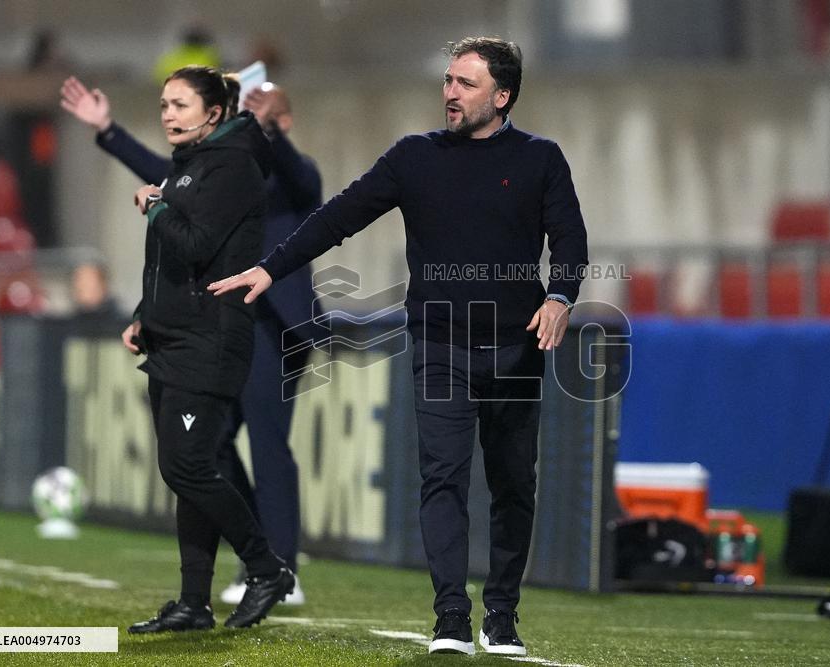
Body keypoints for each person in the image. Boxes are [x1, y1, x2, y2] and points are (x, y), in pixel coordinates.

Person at [209, 37, 588, 656]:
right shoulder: (415, 156)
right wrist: (271, 269)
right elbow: (338, 217)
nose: (450, 93)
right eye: (448, 81)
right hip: (439, 342)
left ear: (502, 96)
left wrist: (561, 296)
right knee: (443, 479)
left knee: (514, 484)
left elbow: (570, 240)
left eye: (465, 84)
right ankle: (450, 616)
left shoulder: (540, 158)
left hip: (515, 347)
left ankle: (501, 614)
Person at [60, 76, 321, 606]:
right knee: (210, 445)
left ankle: (281, 568)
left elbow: (296, 177)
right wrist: (108, 130)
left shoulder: (283, 172)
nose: (249, 115)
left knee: (267, 444)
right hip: (216, 321)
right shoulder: (212, 167)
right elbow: (168, 178)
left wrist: (270, 127)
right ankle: (256, 562)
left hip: (271, 323)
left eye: (261, 110)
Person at [111, 65, 293, 633]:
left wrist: (156, 205)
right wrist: (144, 315)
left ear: (214, 113)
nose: (168, 114)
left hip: (209, 338)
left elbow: (195, 245)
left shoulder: (233, 165)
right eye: (164, 104)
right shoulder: (189, 163)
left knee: (186, 467)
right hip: (171, 337)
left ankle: (266, 568)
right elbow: (172, 264)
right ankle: (194, 603)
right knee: (190, 472)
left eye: (180, 105)